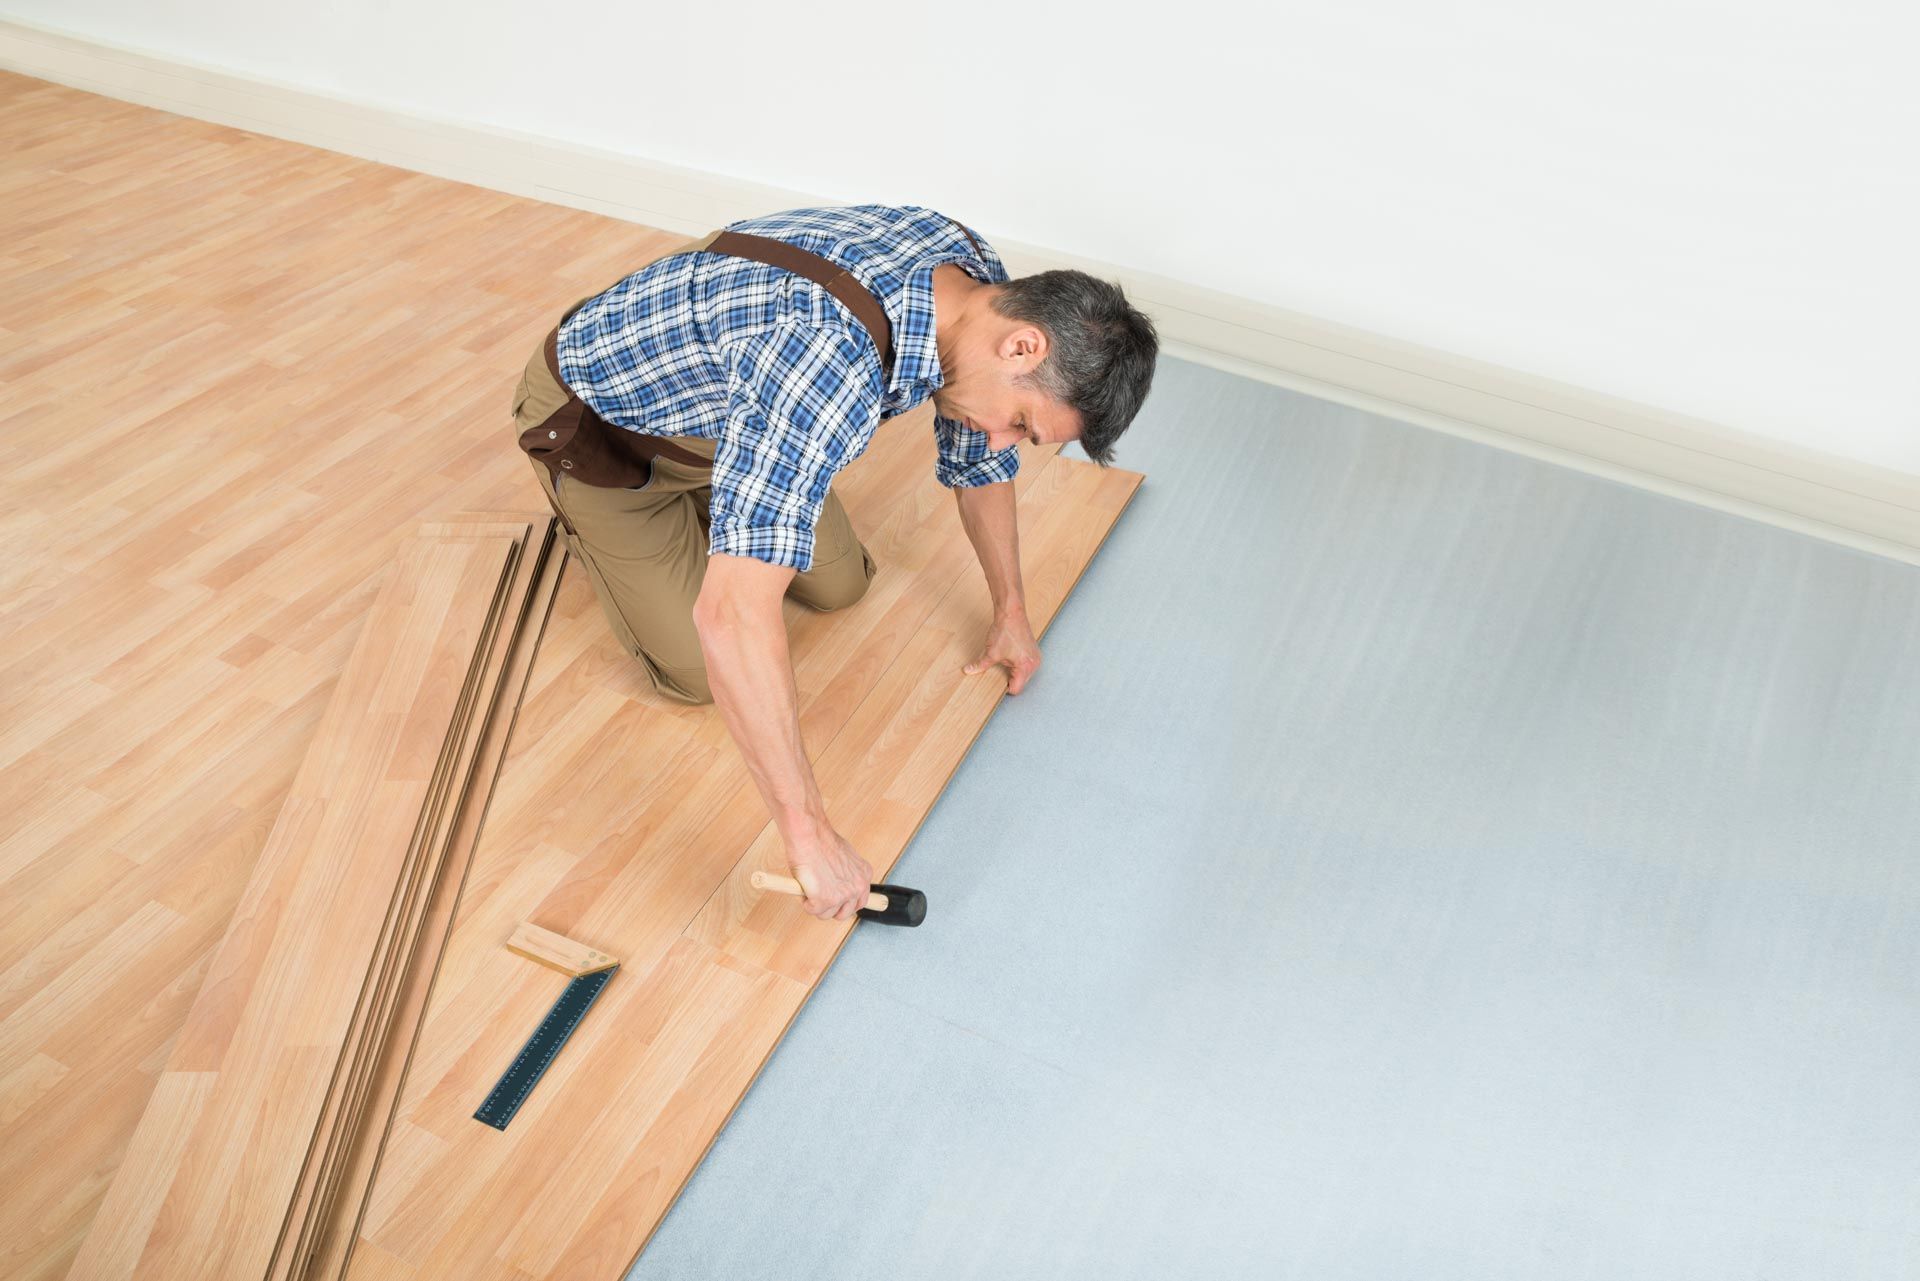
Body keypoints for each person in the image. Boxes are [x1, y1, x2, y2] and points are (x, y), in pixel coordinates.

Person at [509, 204, 1157, 922]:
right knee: (698, 666)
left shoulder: (976, 287)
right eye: (1022, 425)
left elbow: (977, 463)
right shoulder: (821, 365)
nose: (1004, 441)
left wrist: (1011, 610)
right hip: (610, 429)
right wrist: (809, 835)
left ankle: (737, 505)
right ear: (1024, 347)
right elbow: (731, 616)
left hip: (735, 409)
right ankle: (609, 521)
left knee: (843, 583)